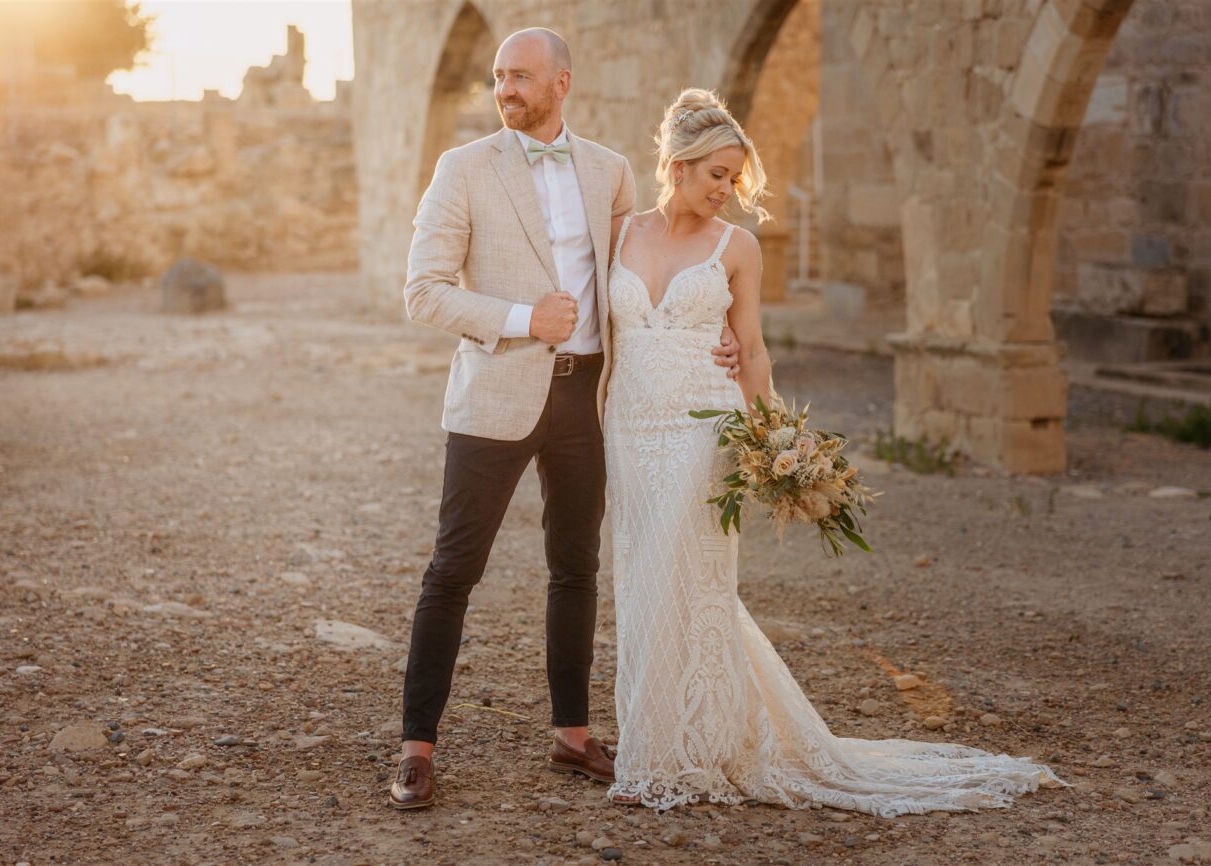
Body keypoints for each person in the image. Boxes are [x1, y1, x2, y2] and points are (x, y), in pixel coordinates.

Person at [604, 87, 1062, 813]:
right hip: (627, 429)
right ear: (678, 165)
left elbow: (751, 351)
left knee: (681, 571)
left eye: (735, 177)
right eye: (717, 174)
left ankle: (668, 763)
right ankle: (682, 738)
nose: (728, 190)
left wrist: (781, 441)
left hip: (702, 425)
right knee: (641, 579)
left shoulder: (738, 248)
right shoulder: (619, 234)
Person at [389, 32, 740, 810]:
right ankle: (416, 747)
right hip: (494, 396)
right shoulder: (464, 168)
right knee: (453, 570)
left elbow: (637, 274)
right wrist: (521, 316)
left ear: (561, 83)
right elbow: (423, 291)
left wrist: (705, 327)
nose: (505, 88)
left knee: (574, 569)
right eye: (498, 77)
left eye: (520, 76)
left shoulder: (609, 171)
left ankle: (572, 735)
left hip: (588, 399)